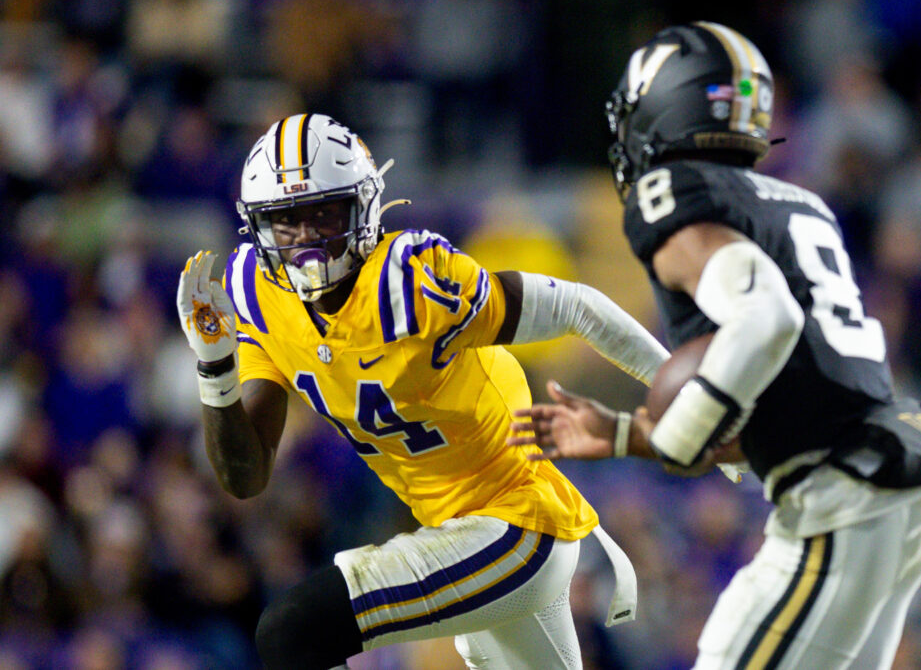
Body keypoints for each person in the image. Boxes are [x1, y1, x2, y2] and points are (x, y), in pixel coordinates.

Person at [508, 22, 921, 669]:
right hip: (886, 482)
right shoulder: (797, 204)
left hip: (838, 499)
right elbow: (793, 395)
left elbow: (764, 319)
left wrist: (677, 438)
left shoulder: (672, 193)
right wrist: (626, 432)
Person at [175, 113, 669, 669]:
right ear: (260, 227)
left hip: (517, 524)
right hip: (468, 533)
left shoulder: (410, 283)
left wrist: (685, 395)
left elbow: (576, 307)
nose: (307, 240)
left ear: (362, 208)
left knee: (294, 629)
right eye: (287, 222)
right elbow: (246, 476)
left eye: (325, 214)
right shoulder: (259, 297)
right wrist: (215, 365)